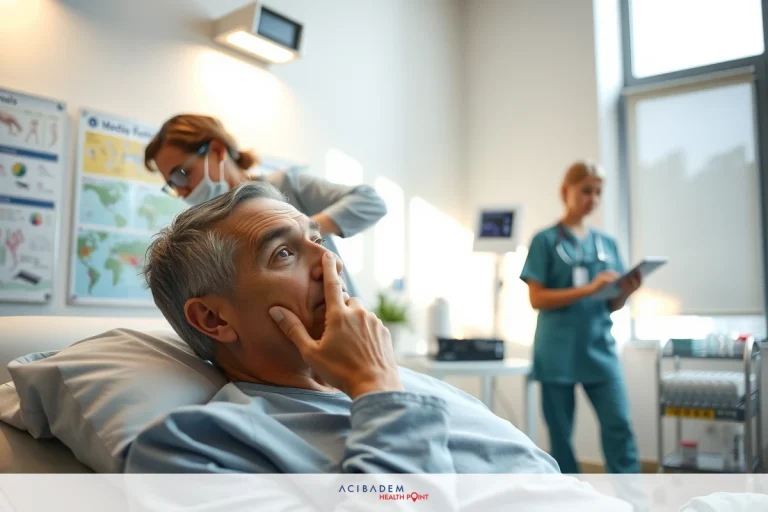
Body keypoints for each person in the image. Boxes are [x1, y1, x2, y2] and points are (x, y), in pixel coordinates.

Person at [126, 182, 559, 474]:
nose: (330, 263)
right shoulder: (198, 448)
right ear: (214, 319)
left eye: (317, 240)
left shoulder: (404, 381)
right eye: (282, 254)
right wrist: (376, 386)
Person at [143, 114, 387, 297]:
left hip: (336, 312)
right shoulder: (211, 231)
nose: (181, 190)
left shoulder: (286, 186)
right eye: (172, 184)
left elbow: (371, 202)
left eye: (182, 174)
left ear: (217, 150)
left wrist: (299, 234)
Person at [520, 161, 641, 474]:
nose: (593, 198)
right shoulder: (544, 240)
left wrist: (626, 291)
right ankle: (571, 502)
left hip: (598, 347)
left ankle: (633, 504)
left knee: (620, 426)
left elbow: (610, 304)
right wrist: (588, 288)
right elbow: (537, 298)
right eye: (586, 190)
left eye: (598, 192)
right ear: (566, 191)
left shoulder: (608, 244)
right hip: (557, 351)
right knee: (561, 440)